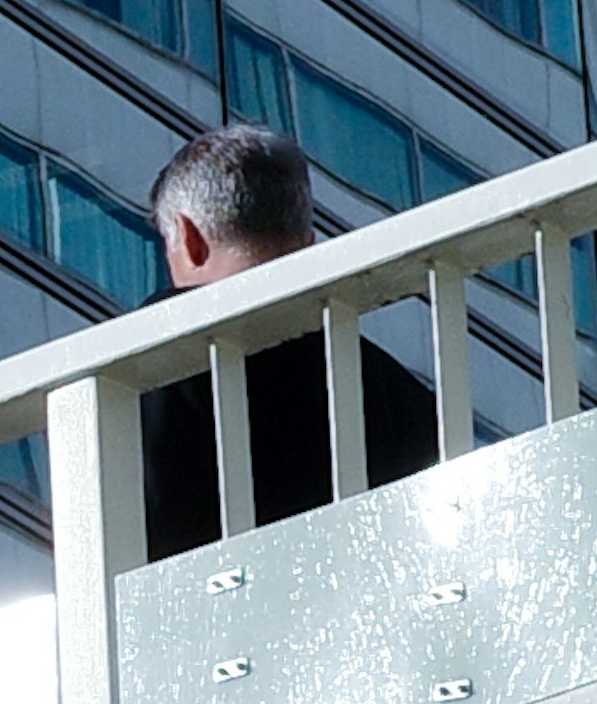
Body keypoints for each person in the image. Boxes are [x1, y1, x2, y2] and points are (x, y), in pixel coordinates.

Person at [139, 116, 499, 704]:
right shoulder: (402, 399)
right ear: (301, 228)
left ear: (189, 237)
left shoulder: (156, 369)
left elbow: (130, 576)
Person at [137, 118, 441, 558]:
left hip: (225, 616)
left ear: (188, 239)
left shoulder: (166, 350)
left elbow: (139, 527)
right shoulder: (402, 397)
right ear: (306, 237)